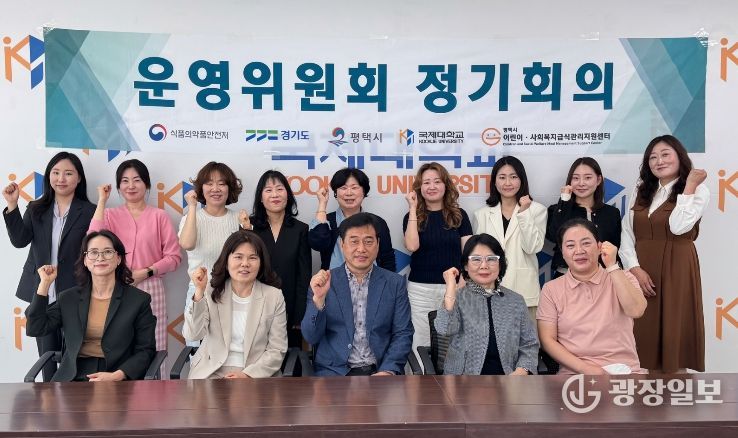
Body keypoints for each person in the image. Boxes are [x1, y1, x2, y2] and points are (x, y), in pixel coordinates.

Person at [619, 135, 709, 373]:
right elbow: (627, 232)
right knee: (642, 331)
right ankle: (643, 390)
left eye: (665, 154)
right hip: (641, 267)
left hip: (677, 268)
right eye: (653, 157)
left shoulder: (698, 191)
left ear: (680, 156)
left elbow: (678, 227)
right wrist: (634, 269)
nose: (659, 161)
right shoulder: (641, 190)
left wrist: (689, 187)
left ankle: (675, 388)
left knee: (674, 330)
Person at [3, 152, 95, 381]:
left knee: (75, 359)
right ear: (48, 177)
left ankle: (76, 402)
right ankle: (48, 401)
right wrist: (12, 205)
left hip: (75, 293)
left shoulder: (89, 211)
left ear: (79, 178)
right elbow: (20, 241)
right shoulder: (36, 208)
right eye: (56, 173)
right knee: (46, 360)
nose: (61, 179)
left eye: (68, 173)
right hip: (42, 293)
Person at [25, 230, 157, 381]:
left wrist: (118, 375)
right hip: (72, 377)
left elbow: (145, 350)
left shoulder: (138, 300)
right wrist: (44, 284)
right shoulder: (68, 298)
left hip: (116, 375)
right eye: (93, 252)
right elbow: (35, 328)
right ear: (85, 261)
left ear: (118, 259)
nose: (100, 258)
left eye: (107, 252)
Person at [302, 213, 413, 376]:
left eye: (368, 241)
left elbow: (403, 333)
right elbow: (311, 337)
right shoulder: (324, 282)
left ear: (378, 244)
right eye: (354, 241)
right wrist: (318, 301)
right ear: (342, 244)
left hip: (379, 372)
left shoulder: (394, 283)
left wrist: (388, 370)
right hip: (333, 374)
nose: (361, 249)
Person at [89, 159, 181, 353]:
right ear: (118, 187)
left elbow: (174, 257)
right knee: (118, 344)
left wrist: (147, 272)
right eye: (125, 181)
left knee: (153, 344)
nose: (131, 186)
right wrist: (102, 201)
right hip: (116, 285)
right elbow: (93, 239)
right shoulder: (110, 215)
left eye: (137, 180)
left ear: (146, 184)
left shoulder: (159, 216)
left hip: (150, 286)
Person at [537, 218, 647, 375]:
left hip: (624, 371)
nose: (579, 251)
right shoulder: (551, 289)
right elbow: (547, 340)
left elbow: (636, 310)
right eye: (570, 246)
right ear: (562, 252)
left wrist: (612, 266)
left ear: (599, 246)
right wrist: (587, 369)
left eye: (586, 243)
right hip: (575, 373)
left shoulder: (624, 277)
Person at [183, 230, 288, 379]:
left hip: (255, 374)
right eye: (238, 257)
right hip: (212, 372)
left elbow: (277, 349)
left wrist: (247, 375)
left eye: (253, 258)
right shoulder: (210, 290)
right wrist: (199, 291)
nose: (245, 264)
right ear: (226, 261)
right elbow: (193, 334)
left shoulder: (274, 296)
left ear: (261, 263)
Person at [436, 234, 539, 375]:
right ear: (465, 265)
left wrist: (522, 371)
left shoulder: (515, 300)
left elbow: (529, 344)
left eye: (491, 259)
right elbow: (444, 329)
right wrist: (450, 288)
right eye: (476, 259)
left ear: (500, 264)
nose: (484, 266)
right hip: (463, 381)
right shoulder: (457, 298)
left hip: (509, 380)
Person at [403, 162, 472, 368]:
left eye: (437, 181)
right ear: (419, 187)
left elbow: (469, 254)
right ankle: (421, 383)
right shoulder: (412, 216)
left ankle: (454, 383)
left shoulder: (459, 215)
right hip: (420, 290)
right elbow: (412, 246)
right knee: (421, 341)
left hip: (453, 288)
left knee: (452, 342)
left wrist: (463, 281)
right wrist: (413, 208)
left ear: (445, 185)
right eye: (426, 183)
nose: (431, 186)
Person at [473, 156, 546, 322]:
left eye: (513, 177)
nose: (507, 183)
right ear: (494, 181)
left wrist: (524, 213)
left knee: (526, 338)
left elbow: (532, 247)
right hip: (488, 292)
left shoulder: (537, 210)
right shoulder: (481, 214)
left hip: (524, 293)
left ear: (522, 180)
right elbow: (477, 255)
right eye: (502, 177)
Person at [241, 170, 310, 348]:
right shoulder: (249, 226)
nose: (275, 195)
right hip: (254, 307)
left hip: (289, 308)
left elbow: (303, 276)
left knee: (289, 359)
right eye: (268, 190)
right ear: (260, 197)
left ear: (288, 195)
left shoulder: (300, 229)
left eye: (279, 189)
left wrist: (299, 315)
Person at [178, 162, 243, 345]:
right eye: (209, 183)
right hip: (200, 291)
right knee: (196, 349)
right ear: (201, 188)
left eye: (222, 183)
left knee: (232, 350)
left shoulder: (238, 219)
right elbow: (187, 244)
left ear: (230, 188)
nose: (215, 189)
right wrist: (192, 207)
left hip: (234, 292)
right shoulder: (191, 218)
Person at [546, 157, 621, 278]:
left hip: (603, 278)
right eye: (576, 178)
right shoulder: (557, 209)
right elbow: (554, 236)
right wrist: (564, 201)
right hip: (566, 277)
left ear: (598, 180)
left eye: (588, 178)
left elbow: (616, 249)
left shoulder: (611, 213)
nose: (581, 183)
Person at [309, 167, 396, 272]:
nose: (349, 193)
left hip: (372, 280)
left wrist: (388, 281)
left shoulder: (377, 222)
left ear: (364, 192)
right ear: (335, 193)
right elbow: (318, 244)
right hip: (333, 280)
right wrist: (322, 204)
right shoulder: (326, 220)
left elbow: (387, 259)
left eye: (354, 188)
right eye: (343, 188)